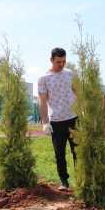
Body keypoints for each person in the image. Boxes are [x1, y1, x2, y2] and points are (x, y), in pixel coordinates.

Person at [38, 47, 77, 191]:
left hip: (73, 118)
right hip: (56, 121)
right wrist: (45, 122)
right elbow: (42, 101)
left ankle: (81, 179)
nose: (62, 64)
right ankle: (64, 182)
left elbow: (78, 92)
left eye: (64, 61)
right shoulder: (44, 79)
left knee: (78, 152)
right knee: (59, 153)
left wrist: (83, 110)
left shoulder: (70, 74)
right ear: (51, 60)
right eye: (58, 62)